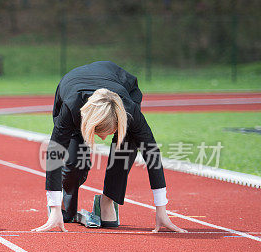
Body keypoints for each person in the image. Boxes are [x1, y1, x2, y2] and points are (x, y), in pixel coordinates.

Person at [33, 61, 185, 233]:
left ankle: (107, 200)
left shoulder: (130, 111)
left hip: (121, 86)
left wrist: (161, 210)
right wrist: (53, 208)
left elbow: (152, 154)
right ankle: (65, 198)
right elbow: (54, 154)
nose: (104, 138)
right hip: (72, 88)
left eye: (110, 131)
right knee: (76, 161)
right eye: (98, 132)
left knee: (127, 145)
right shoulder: (71, 107)